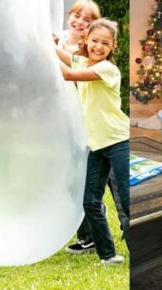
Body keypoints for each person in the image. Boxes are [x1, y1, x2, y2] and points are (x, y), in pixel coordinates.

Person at [55, 18, 130, 264]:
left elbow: (67, 74)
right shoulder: (84, 61)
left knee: (128, 201)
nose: (98, 46)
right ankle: (108, 255)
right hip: (95, 145)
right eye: (94, 41)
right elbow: (63, 56)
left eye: (105, 43)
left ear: (113, 47)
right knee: (90, 201)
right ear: (86, 40)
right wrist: (48, 42)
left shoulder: (107, 69)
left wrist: (49, 51)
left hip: (118, 141)